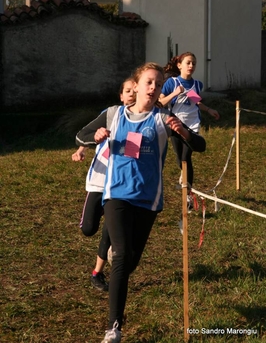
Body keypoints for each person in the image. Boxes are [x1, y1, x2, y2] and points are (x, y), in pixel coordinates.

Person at [75, 62, 206, 343]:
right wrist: (95, 137)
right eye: (149, 82)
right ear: (136, 85)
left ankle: (116, 263)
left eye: (158, 84)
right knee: (122, 256)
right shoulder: (113, 115)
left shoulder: (164, 118)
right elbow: (81, 135)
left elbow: (200, 145)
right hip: (116, 193)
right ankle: (114, 328)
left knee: (130, 261)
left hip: (148, 199)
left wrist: (183, 133)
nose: (153, 88)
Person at [72, 77, 135, 291]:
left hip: (118, 185)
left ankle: (97, 273)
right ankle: (98, 214)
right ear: (121, 95)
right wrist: (85, 147)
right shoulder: (111, 114)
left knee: (110, 229)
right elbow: (85, 135)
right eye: (128, 91)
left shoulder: (138, 123)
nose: (132, 95)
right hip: (98, 181)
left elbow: (132, 155)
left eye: (135, 91)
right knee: (88, 229)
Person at [160, 52, 220, 210]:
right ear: (179, 65)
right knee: (180, 159)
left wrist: (208, 110)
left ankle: (188, 196)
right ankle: (183, 174)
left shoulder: (196, 84)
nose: (191, 66)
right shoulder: (171, 83)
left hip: (192, 126)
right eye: (188, 63)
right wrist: (175, 93)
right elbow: (160, 102)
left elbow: (196, 102)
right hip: (175, 125)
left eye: (194, 63)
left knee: (187, 158)